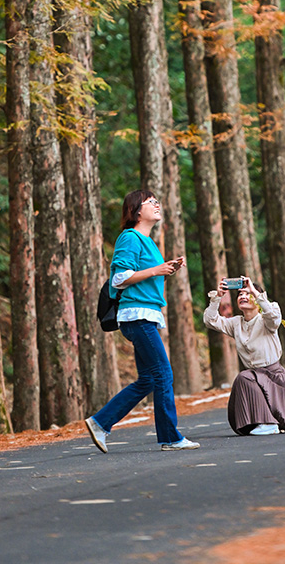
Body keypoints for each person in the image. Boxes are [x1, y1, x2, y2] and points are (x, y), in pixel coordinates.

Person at [85, 189, 200, 453]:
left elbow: (143, 278)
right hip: (136, 316)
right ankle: (170, 438)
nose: (157, 204)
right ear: (137, 211)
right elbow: (118, 278)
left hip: (145, 314)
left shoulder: (148, 242)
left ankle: (101, 423)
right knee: (163, 374)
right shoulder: (130, 237)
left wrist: (166, 269)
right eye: (151, 202)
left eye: (158, 201)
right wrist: (156, 269)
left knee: (149, 378)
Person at [204, 277, 285, 436]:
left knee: (245, 377)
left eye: (247, 294)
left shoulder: (267, 320)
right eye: (240, 294)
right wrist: (218, 297)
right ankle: (257, 422)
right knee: (246, 377)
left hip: (274, 376)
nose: (243, 297)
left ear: (257, 299)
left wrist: (255, 291)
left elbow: (274, 317)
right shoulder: (236, 323)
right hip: (254, 375)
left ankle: (268, 423)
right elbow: (210, 321)